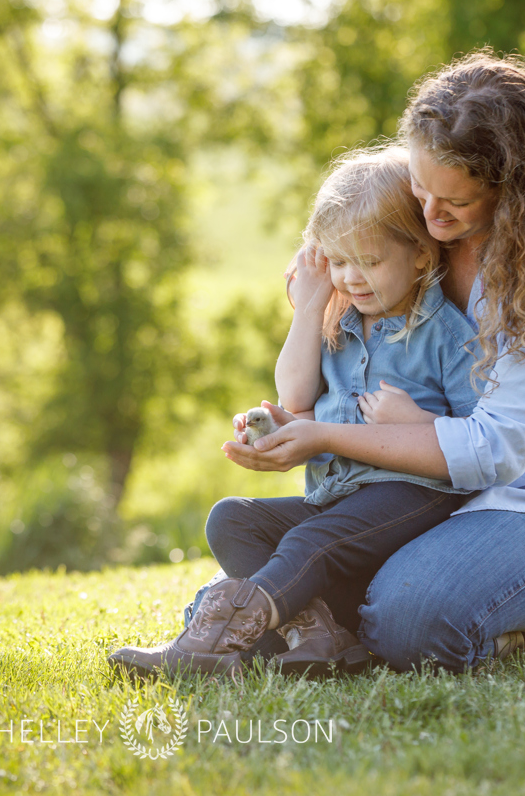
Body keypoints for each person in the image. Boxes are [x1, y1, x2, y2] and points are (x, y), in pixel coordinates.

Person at [217, 51, 525, 673]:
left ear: (513, 190)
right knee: (265, 552)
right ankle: (324, 624)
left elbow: (496, 451)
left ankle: (486, 616)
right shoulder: (404, 240)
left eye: (455, 205)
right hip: (416, 500)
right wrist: (296, 417)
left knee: (408, 617)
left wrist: (329, 435)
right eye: (419, 187)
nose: (430, 219)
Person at [108, 145, 482, 679]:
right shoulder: (341, 323)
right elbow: (296, 397)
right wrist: (308, 309)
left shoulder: (446, 336)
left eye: (370, 261)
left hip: (411, 496)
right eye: (338, 261)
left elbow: (478, 439)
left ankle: (211, 640)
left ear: (421, 254)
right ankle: (320, 636)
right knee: (232, 519)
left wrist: (417, 424)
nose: (352, 277)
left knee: (310, 542)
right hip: (335, 498)